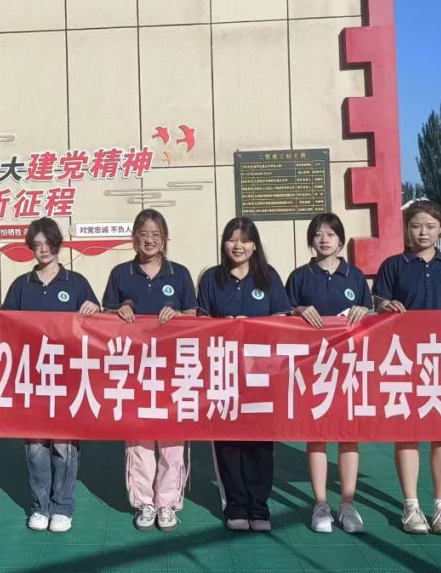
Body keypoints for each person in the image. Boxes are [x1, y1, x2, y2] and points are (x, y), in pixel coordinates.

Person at [373, 200, 441, 536]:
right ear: (406, 229)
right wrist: (386, 306)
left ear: (440, 229)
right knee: (408, 431)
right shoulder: (393, 265)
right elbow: (378, 304)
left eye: (430, 226)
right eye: (416, 226)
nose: (423, 232)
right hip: (403, 359)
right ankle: (411, 505)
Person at [1, 217, 99, 534]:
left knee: (64, 446)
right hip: (31, 377)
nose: (43, 249)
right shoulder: (20, 285)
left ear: (58, 244)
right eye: (37, 244)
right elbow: (5, 327)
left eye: (48, 243)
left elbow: (98, 326)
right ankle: (40, 506)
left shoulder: (77, 283)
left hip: (68, 377)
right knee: (35, 447)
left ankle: (63, 506)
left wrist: (94, 311)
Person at [101, 209, 197, 532]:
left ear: (165, 239)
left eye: (156, 234)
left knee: (172, 438)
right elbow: (105, 317)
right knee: (139, 438)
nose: (149, 240)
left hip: (173, 367)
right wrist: (120, 311)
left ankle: (167, 503)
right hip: (134, 368)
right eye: (143, 234)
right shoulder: (120, 273)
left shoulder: (180, 274)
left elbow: (194, 316)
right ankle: (144, 501)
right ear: (134, 239)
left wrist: (179, 316)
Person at [197, 217, 291, 532]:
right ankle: (235, 505)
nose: (238, 246)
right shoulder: (211, 278)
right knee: (227, 441)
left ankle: (259, 508)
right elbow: (200, 322)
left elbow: (282, 320)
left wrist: (252, 328)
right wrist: (224, 327)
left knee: (260, 441)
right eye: (232, 239)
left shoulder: (269, 277)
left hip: (261, 374)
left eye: (245, 240)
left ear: (254, 245)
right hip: (223, 370)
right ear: (224, 243)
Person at [285, 213, 373, 534]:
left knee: (349, 435)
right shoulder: (299, 276)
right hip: (314, 367)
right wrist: (297, 311)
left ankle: (347, 504)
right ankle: (320, 503)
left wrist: (367, 311)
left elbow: (373, 319)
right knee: (318, 433)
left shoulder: (355, 276)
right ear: (311, 239)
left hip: (350, 366)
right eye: (318, 234)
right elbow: (281, 318)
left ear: (340, 240)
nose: (324, 239)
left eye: (331, 234)